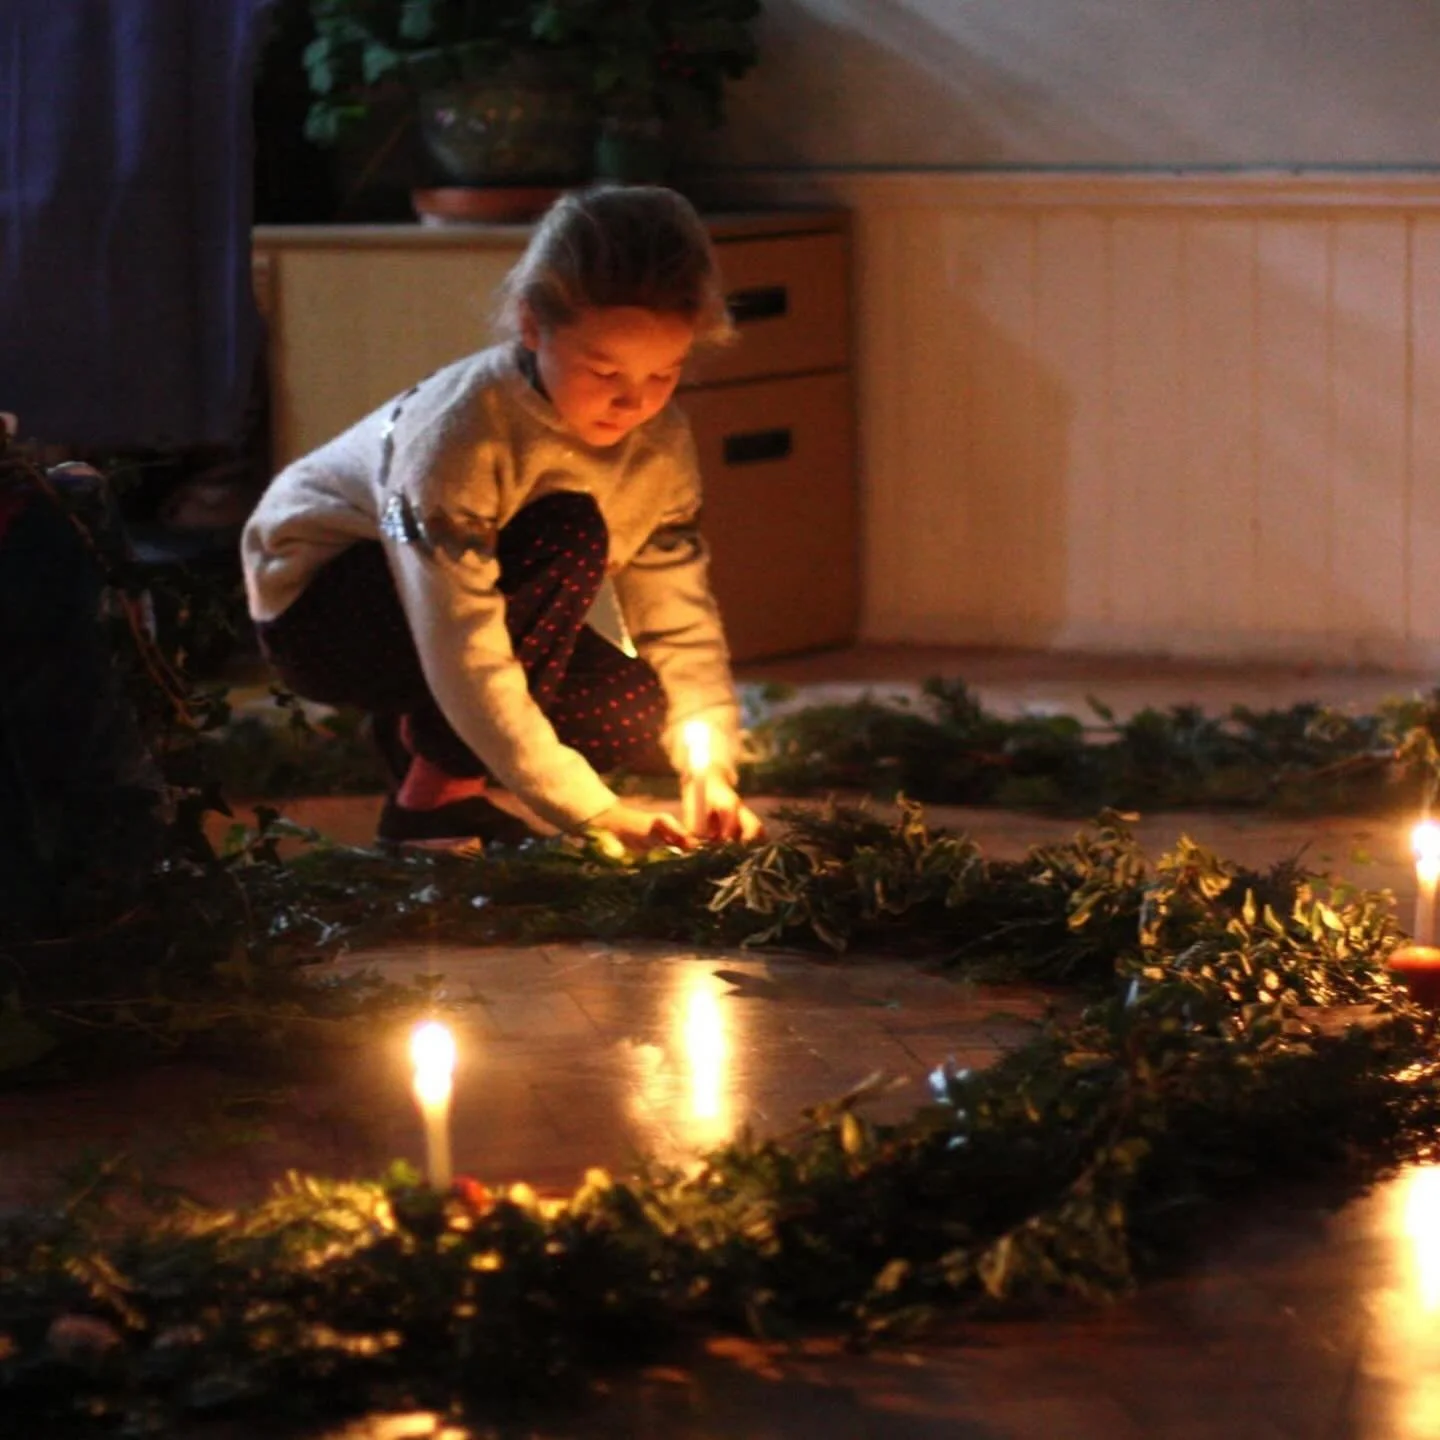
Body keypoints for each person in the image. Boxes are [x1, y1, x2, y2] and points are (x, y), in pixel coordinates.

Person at [241, 185, 764, 854]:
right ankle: (432, 803)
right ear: (531, 326)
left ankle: (415, 731)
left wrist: (709, 767)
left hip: (448, 614)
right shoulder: (461, 433)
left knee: (632, 717)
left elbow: (676, 610)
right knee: (566, 529)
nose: (633, 402)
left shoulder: (659, 443)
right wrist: (594, 813)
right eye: (604, 371)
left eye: (663, 374)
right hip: (324, 616)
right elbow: (464, 644)